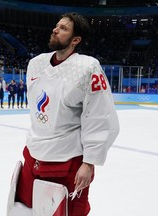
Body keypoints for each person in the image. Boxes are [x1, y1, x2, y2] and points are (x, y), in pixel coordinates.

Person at [14, 12, 120, 216]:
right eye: (57, 26)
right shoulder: (35, 64)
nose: (55, 29)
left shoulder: (88, 67)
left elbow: (100, 116)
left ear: (76, 40)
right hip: (33, 155)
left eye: (63, 28)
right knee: (29, 209)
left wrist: (89, 163)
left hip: (67, 162)